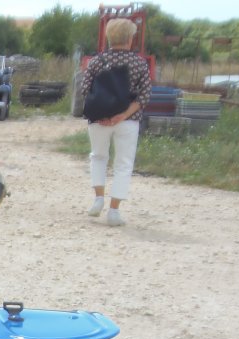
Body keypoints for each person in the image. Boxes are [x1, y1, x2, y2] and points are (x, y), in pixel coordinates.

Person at [80, 17, 151, 227]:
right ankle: (114, 211)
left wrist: (103, 112)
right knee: (123, 164)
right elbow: (144, 96)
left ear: (109, 38)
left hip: (98, 119)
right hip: (128, 120)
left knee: (98, 156)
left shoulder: (96, 61)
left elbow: (85, 90)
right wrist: (123, 115)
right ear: (130, 39)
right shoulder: (139, 63)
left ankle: (98, 199)